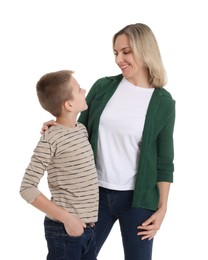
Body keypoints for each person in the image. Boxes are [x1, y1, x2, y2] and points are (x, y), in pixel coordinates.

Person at [42, 23, 176, 260]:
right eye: (116, 53)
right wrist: (57, 126)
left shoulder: (163, 102)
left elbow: (165, 160)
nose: (119, 59)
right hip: (95, 194)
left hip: (139, 201)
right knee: (82, 255)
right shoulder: (103, 87)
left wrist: (163, 208)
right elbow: (80, 128)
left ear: (145, 50)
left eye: (126, 52)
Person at [20, 70, 99, 260]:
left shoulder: (80, 130)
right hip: (64, 232)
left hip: (88, 230)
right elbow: (27, 188)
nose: (85, 90)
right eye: (79, 89)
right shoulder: (50, 139)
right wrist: (67, 219)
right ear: (69, 104)